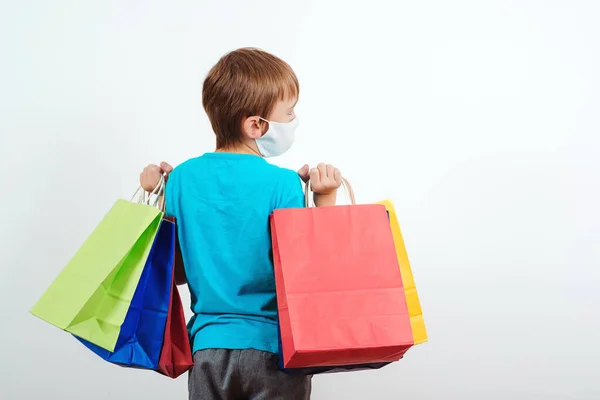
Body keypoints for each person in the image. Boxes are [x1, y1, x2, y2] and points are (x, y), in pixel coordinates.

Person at [139, 47, 342, 400]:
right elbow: (307, 276)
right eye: (289, 112)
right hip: (273, 350)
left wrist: (157, 195)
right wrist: (324, 199)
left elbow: (176, 275)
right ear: (255, 125)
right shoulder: (283, 184)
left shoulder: (182, 180)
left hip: (207, 350)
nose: (294, 119)